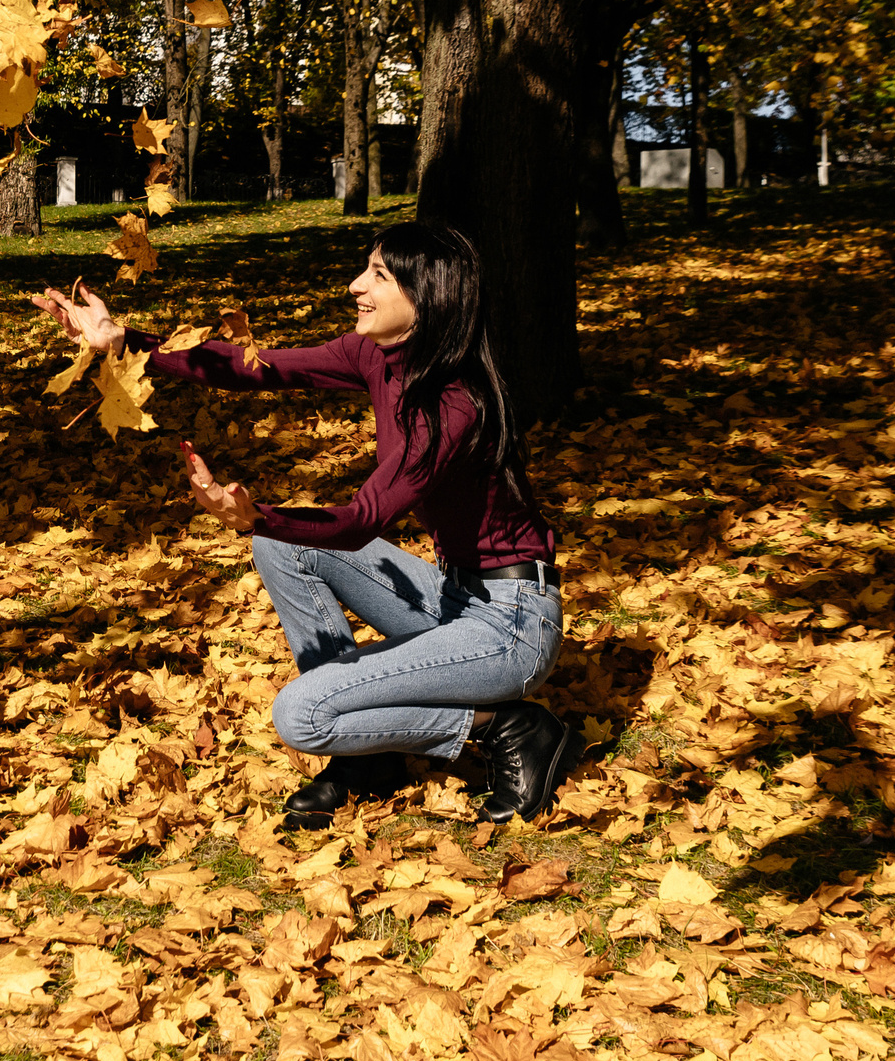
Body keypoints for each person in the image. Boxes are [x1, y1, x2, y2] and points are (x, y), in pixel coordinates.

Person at [32, 222, 572, 828]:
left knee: (302, 717)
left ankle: (508, 724)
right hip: (449, 595)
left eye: (378, 276)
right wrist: (124, 339)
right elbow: (253, 368)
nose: (355, 285)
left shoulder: (452, 406)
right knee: (282, 546)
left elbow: (363, 520)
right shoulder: (378, 353)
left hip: (510, 624)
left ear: (428, 296)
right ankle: (367, 755)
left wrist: (256, 514)